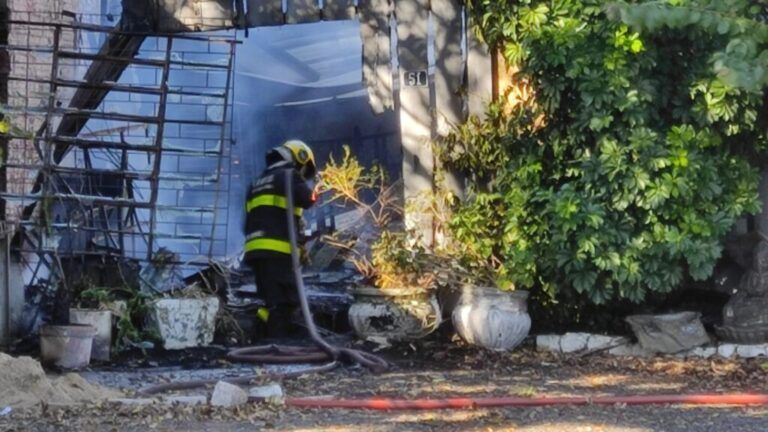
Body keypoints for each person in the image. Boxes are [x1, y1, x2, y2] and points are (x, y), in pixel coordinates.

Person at [243, 139, 317, 338]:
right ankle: (279, 345)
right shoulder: (288, 175)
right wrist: (319, 187)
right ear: (299, 157)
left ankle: (258, 334)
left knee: (271, 300)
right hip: (278, 252)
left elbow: (251, 219)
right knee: (289, 300)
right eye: (305, 169)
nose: (304, 174)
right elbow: (308, 199)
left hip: (255, 252)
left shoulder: (256, 183)